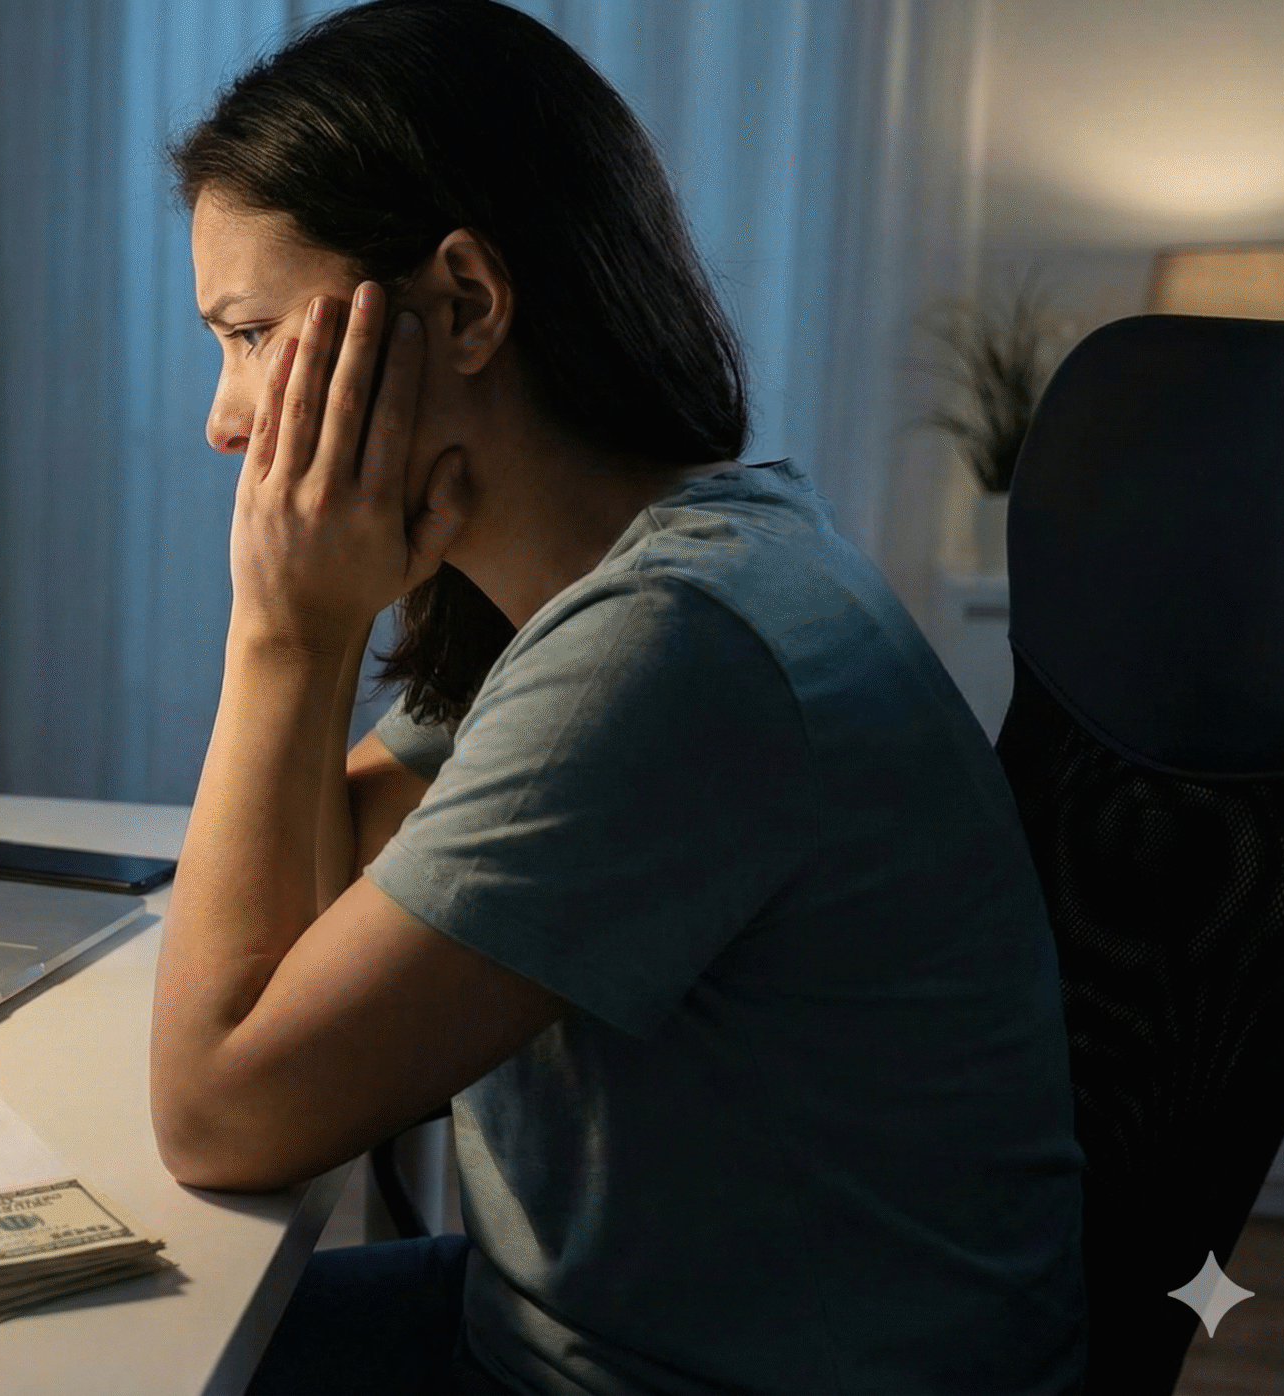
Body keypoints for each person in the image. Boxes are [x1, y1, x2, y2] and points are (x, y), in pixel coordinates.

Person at [147, 3, 1086, 1392]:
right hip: (583, 1326)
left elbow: (222, 1114)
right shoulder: (658, 562)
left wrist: (284, 632)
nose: (225, 419)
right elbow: (320, 870)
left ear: (463, 304)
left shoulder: (671, 649)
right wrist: (323, 621)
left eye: (247, 331)